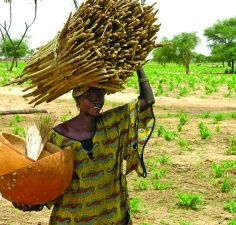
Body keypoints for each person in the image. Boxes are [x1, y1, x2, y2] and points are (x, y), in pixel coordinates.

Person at [13, 67, 155, 224]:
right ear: (78, 100)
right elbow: (48, 178)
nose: (95, 100)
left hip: (111, 214)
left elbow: (147, 100)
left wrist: (138, 67)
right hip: (72, 217)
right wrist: (30, 202)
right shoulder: (58, 137)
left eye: (99, 95)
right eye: (89, 96)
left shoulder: (112, 123)